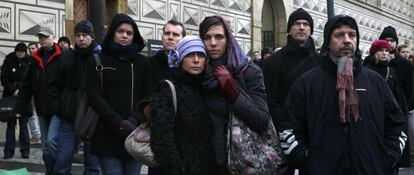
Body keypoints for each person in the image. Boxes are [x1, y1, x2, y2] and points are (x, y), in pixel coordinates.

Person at [278, 15, 406, 174]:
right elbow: (288, 127)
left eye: (352, 35)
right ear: (328, 41)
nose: (347, 40)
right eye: (339, 35)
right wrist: (306, 160)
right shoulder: (307, 83)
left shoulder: (375, 82)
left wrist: (387, 158)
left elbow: (397, 124)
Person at [199, 15, 271, 174]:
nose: (213, 43)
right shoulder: (198, 74)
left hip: (242, 161)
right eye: (207, 37)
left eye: (219, 37)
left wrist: (233, 92)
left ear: (229, 39)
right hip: (206, 161)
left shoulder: (249, 71)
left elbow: (261, 121)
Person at [86, 13, 152, 175]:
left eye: (129, 33)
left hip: (135, 133)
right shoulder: (97, 60)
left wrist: (135, 119)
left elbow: (148, 94)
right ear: (112, 33)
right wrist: (118, 122)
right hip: (107, 134)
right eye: (120, 31)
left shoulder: (143, 62)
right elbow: (94, 96)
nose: (124, 35)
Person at [262, 8, 319, 175]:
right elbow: (270, 99)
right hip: (284, 135)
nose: (301, 27)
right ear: (289, 29)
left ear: (310, 30)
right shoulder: (273, 62)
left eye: (306, 24)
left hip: (315, 134)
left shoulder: (321, 62)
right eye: (297, 24)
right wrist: (285, 128)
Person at [149, 35, 214, 175]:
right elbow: (162, 140)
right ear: (180, 59)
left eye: (201, 55)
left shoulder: (206, 89)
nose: (196, 60)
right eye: (190, 55)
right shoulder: (166, 88)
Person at [46, 20, 101, 174]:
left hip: (92, 119)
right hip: (68, 117)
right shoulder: (67, 57)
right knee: (62, 161)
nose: (81, 38)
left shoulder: (100, 57)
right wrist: (58, 107)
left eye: (85, 35)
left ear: (92, 37)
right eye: (78, 35)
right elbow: (54, 84)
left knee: (92, 165)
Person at [15, 26, 63, 174]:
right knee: (45, 148)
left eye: (45, 36)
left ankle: (60, 170)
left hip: (57, 108)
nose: (42, 39)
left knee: (51, 142)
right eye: (40, 36)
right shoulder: (34, 59)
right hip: (42, 108)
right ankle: (51, 171)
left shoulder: (63, 56)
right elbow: (27, 85)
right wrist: (20, 108)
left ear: (53, 37)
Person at [379, 26, 414, 168]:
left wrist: (407, 107)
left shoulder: (405, 64)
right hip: (379, 108)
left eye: (392, 40)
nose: (389, 43)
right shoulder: (372, 61)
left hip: (399, 108)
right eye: (385, 40)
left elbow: (410, 89)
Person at [1, 42, 31, 159]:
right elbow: (4, 78)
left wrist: (22, 90)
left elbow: (31, 79)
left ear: (25, 52)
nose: (20, 54)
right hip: (10, 97)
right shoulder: (9, 60)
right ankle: (9, 150)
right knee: (11, 125)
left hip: (24, 98)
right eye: (18, 51)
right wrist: (13, 89)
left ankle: (25, 150)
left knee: (24, 125)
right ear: (15, 51)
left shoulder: (29, 61)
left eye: (22, 52)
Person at [150, 19, 186, 84]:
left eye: (175, 34)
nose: (170, 37)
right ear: (162, 37)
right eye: (167, 33)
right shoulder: (150, 63)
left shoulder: (188, 65)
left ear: (183, 39)